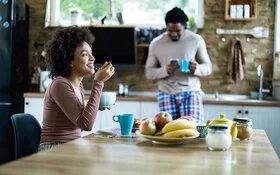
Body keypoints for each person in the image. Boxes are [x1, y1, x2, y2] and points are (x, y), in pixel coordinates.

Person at [39, 27, 115, 151]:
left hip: (69, 146)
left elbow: (79, 118)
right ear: (70, 61)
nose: (92, 58)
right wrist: (98, 82)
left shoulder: (77, 85)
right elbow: (86, 124)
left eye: (91, 53)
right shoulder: (60, 85)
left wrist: (95, 106)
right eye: (85, 54)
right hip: (54, 149)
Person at [145, 7, 212, 123]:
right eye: (170, 30)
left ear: (185, 25)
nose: (174, 34)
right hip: (166, 92)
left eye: (178, 30)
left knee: (192, 128)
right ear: (166, 26)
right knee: (168, 132)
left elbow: (208, 68)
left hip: (191, 91)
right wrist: (166, 70)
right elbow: (149, 73)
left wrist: (196, 68)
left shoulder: (196, 40)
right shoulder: (156, 44)